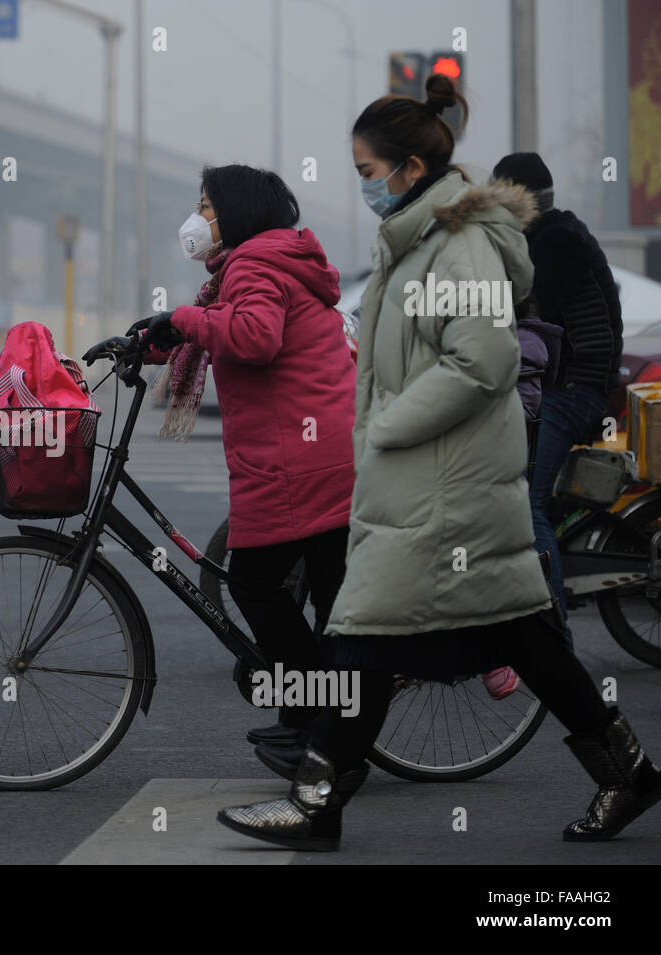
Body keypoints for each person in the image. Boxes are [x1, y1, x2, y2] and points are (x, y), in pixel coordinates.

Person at [218, 74, 660, 850]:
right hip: (440, 486)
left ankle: (317, 802)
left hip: (445, 488)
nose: (363, 188)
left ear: (408, 170)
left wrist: (387, 424)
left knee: (364, 629)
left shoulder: (456, 248)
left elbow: (483, 358)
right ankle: (629, 774)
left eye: (366, 173)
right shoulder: (416, 244)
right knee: (519, 639)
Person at [133, 164, 356, 754]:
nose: (200, 218)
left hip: (296, 457)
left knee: (255, 582)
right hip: (322, 448)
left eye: (207, 206)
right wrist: (172, 332)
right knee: (332, 596)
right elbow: (236, 323)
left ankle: (313, 715)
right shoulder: (273, 258)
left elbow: (255, 335)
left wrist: (182, 319)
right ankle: (326, 731)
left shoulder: (254, 262)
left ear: (236, 211)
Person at [492, 152, 623, 641]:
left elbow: (514, 301)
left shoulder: (556, 241)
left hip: (571, 393)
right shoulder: (541, 238)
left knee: (528, 506)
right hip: (557, 389)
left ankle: (554, 639)